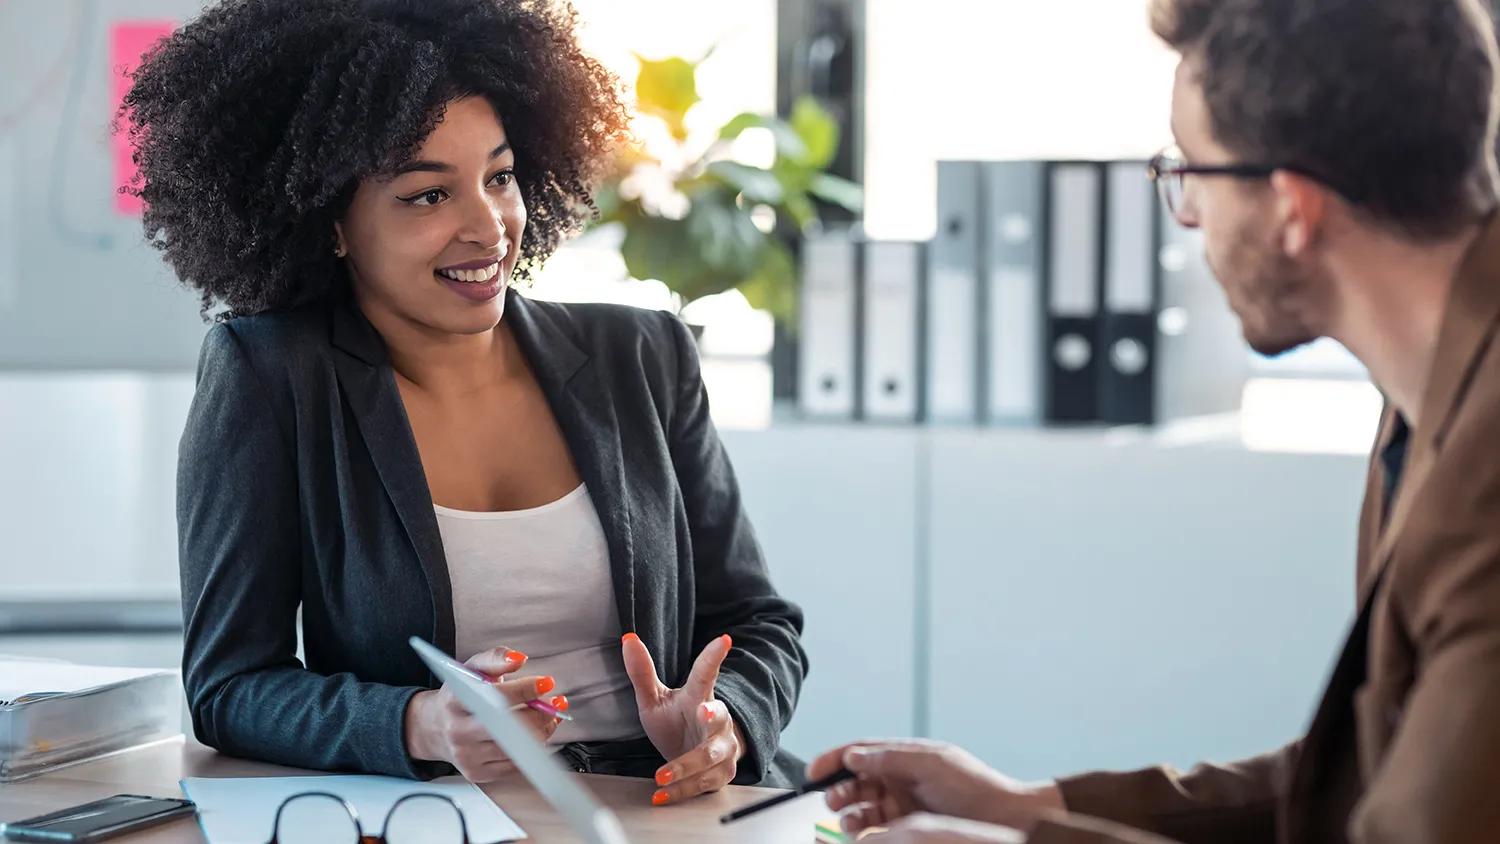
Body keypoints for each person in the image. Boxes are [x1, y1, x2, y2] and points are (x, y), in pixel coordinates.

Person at [810, 0, 1500, 841]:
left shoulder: (1485, 473)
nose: (1189, 218)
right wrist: (1033, 808)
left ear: (1293, 209)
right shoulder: (1422, 401)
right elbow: (1366, 774)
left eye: (1192, 173)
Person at [119, 0, 808, 802]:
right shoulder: (273, 376)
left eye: (501, 176)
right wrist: (425, 723)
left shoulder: (642, 356)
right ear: (332, 223)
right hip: (444, 813)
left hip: (663, 807)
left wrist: (723, 719)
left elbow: (759, 622)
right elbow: (230, 687)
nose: (488, 227)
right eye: (427, 195)